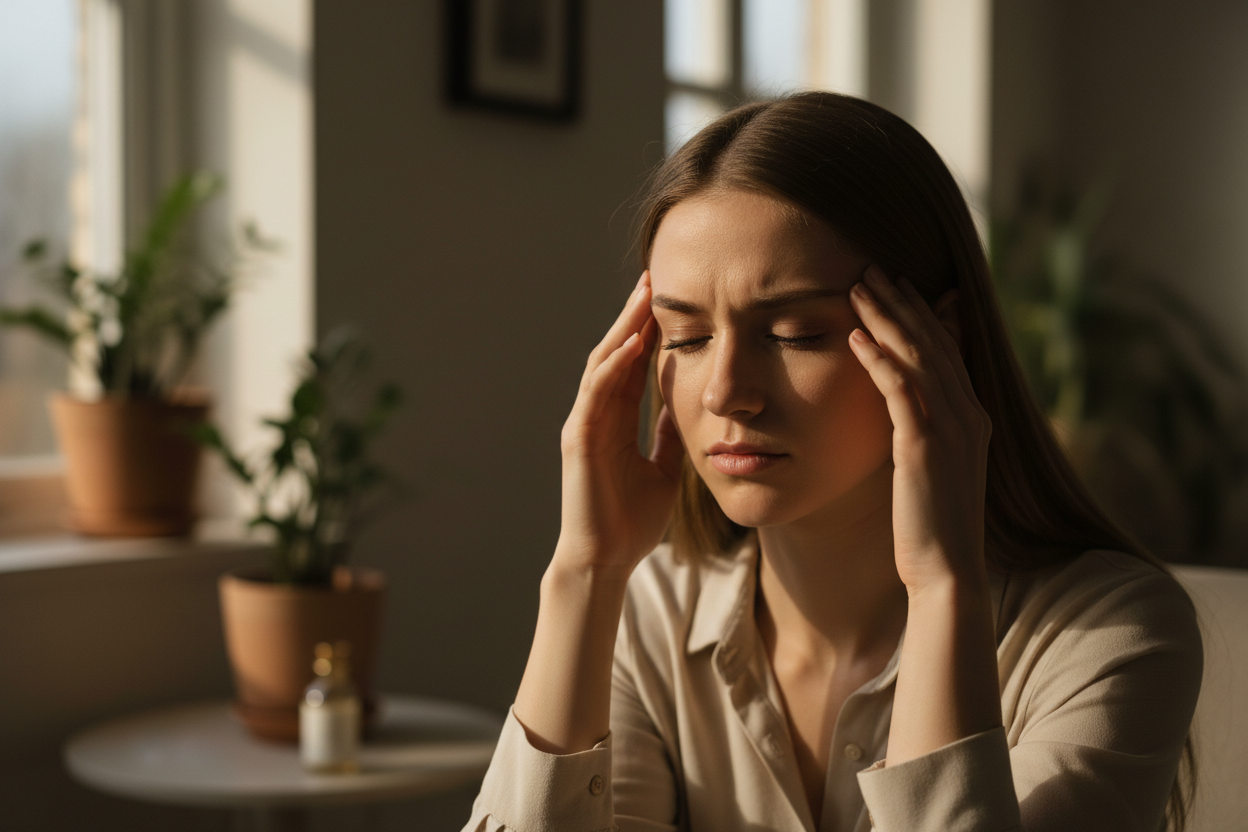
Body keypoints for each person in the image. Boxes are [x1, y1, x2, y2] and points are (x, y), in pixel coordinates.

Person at [462, 93, 1202, 832]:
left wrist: (942, 589)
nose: (724, 392)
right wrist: (585, 573)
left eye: (794, 333)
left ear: (937, 341)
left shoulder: (1109, 634)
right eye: (685, 338)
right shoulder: (650, 614)